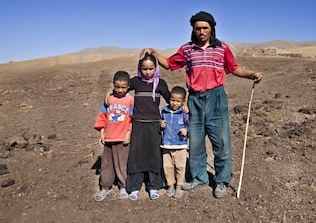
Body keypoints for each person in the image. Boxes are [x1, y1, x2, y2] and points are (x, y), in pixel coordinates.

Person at [140, 11, 262, 198]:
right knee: (195, 142)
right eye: (198, 28)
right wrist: (154, 52)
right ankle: (199, 178)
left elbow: (234, 68)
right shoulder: (187, 50)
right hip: (195, 99)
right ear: (193, 30)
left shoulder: (222, 48)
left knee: (221, 142)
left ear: (212, 28)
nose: (201, 31)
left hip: (216, 97)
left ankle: (221, 181)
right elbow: (169, 64)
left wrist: (251, 74)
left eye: (205, 27)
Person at [126, 53, 170, 201]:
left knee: (154, 155)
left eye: (151, 68)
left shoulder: (161, 83)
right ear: (140, 68)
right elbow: (121, 90)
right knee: (136, 155)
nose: (148, 72)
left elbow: (171, 100)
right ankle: (134, 187)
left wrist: (182, 107)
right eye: (144, 68)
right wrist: (109, 93)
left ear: (155, 68)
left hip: (154, 125)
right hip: (138, 124)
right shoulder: (136, 82)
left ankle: (154, 186)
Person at [93, 70, 134, 202]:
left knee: (122, 163)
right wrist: (102, 132)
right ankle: (105, 186)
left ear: (128, 86)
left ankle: (123, 186)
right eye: (117, 87)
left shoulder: (130, 100)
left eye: (123, 87)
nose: (120, 90)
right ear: (113, 85)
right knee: (106, 163)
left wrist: (129, 133)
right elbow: (102, 116)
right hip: (109, 137)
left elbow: (132, 119)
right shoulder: (108, 99)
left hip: (123, 138)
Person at [160, 86, 189, 199]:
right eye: (172, 100)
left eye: (178, 101)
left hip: (180, 144)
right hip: (166, 144)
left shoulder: (184, 113)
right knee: (167, 166)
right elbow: (161, 123)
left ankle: (179, 186)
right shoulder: (164, 111)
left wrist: (186, 130)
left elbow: (189, 124)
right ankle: (170, 185)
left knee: (180, 166)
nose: (175, 103)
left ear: (183, 102)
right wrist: (161, 125)